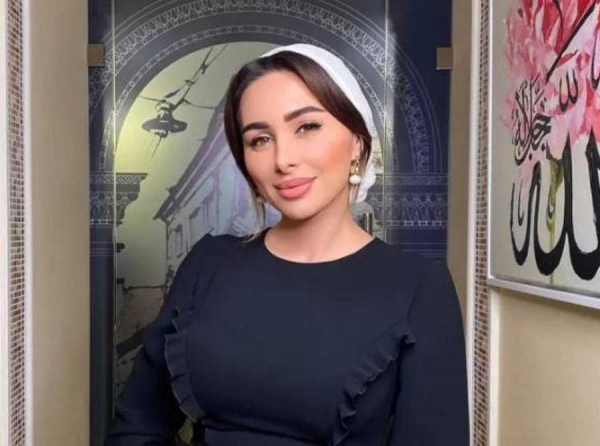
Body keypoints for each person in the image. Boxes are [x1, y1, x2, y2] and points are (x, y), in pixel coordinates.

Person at [105, 43, 469, 446]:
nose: (283, 159)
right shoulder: (208, 264)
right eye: (260, 139)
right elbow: (137, 424)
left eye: (307, 127)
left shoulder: (419, 287)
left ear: (357, 141)